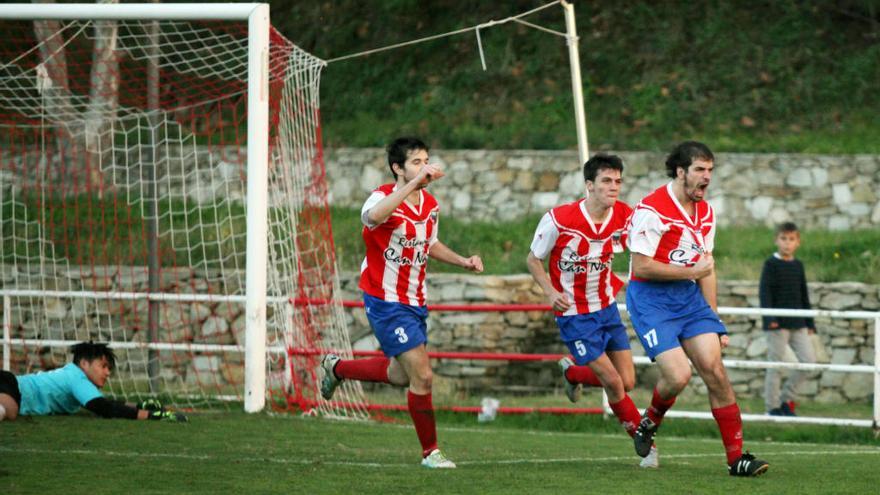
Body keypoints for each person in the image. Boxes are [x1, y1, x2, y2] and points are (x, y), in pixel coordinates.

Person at [320, 136, 483, 469]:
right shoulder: (382, 198)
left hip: (414, 300)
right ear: (398, 168)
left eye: (426, 161)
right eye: (416, 163)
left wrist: (463, 260)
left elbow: (430, 244)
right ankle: (431, 453)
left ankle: (336, 367)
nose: (424, 168)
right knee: (423, 376)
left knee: (400, 375)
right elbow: (371, 218)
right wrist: (410, 187)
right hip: (384, 299)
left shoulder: (430, 205)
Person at [625, 141, 768, 477]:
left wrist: (714, 319)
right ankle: (650, 421)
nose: (707, 177)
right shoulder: (652, 210)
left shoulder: (706, 212)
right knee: (678, 376)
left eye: (710, 170)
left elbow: (707, 267)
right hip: (650, 299)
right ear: (680, 172)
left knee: (715, 371)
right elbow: (642, 267)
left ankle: (737, 459)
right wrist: (692, 272)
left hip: (687, 298)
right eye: (700, 170)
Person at [526, 153, 657, 469]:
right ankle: (647, 446)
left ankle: (572, 371)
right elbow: (533, 259)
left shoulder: (625, 216)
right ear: (589, 185)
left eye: (618, 181)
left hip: (607, 307)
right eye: (606, 181)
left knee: (626, 381)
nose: (614, 187)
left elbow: (645, 241)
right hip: (574, 314)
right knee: (612, 382)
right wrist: (551, 292)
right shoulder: (559, 219)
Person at [0, 341, 186, 422]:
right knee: (10, 411)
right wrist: (152, 416)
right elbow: (103, 408)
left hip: (9, 384)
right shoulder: (76, 377)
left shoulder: (77, 378)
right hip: (10, 384)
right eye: (103, 366)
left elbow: (105, 402)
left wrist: (139, 405)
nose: (107, 372)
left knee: (10, 410)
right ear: (84, 363)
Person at [760, 221, 816, 416]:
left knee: (809, 362)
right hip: (777, 324)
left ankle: (786, 399)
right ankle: (772, 407)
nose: (787, 243)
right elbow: (764, 293)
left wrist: (810, 322)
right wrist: (770, 319)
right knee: (775, 366)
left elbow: (803, 294)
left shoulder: (798, 265)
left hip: (799, 321)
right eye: (783, 239)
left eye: (791, 239)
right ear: (777, 240)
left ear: (797, 242)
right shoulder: (770, 264)